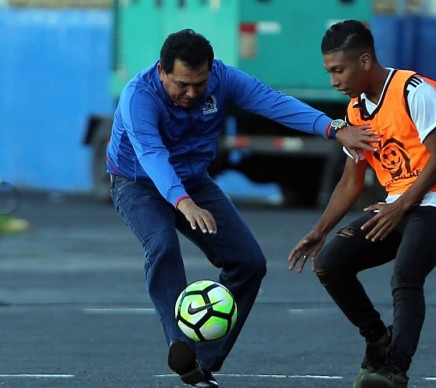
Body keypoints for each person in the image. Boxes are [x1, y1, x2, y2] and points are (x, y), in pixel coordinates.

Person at [106, 28, 378, 387]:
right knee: (162, 245)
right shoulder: (138, 97)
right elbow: (152, 155)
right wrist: (183, 203)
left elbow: (273, 102)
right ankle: (181, 343)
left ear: (211, 70)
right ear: (161, 71)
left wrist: (332, 128)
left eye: (199, 84)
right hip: (137, 182)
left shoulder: (223, 79)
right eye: (181, 84)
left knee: (249, 264)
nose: (190, 93)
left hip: (194, 180)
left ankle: (203, 363)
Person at [288, 20, 436, 388]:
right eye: (329, 72)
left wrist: (399, 207)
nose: (333, 81)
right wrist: (318, 232)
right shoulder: (355, 112)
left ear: (365, 60)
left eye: (339, 70)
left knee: (406, 276)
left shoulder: (413, 90)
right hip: (396, 206)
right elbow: (351, 180)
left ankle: (395, 369)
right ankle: (378, 341)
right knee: (330, 264)